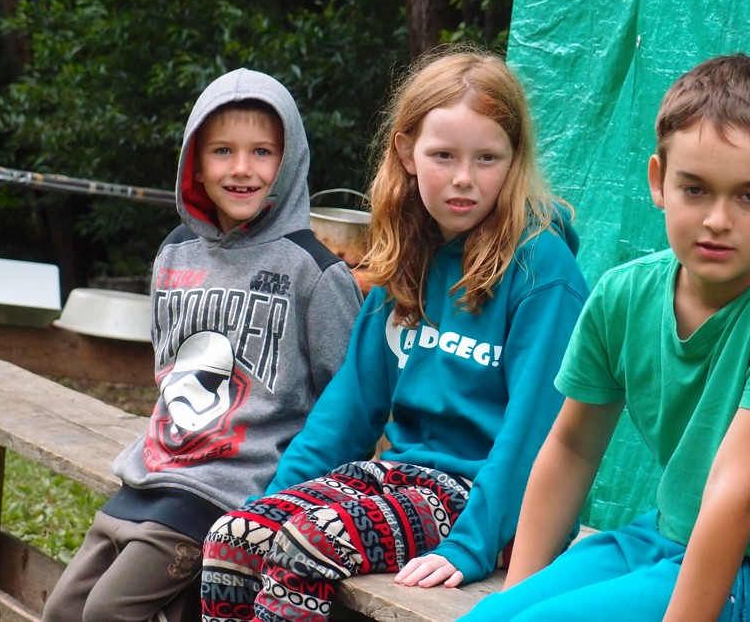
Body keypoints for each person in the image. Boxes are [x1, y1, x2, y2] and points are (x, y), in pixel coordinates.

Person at [460, 53, 750, 622]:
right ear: (659, 181)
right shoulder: (624, 293)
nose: (718, 220)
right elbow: (572, 448)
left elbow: (737, 488)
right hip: (663, 539)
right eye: (695, 189)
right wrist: (516, 597)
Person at [199, 48, 590, 622]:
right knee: (234, 536)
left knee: (309, 541)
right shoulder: (410, 256)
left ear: (515, 158)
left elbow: (535, 433)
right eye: (443, 155)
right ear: (407, 152)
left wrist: (473, 543)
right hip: (396, 479)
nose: (464, 178)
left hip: (478, 498)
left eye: (487, 158)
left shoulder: (542, 270)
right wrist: (273, 500)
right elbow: (349, 408)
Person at [42, 68, 363, 622]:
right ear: (194, 161)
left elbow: (351, 402)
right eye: (222, 151)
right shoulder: (175, 254)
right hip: (150, 473)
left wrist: (295, 501)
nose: (241, 168)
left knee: (106, 615)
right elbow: (168, 363)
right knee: (63, 611)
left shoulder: (315, 272)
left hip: (230, 492)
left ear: (290, 159)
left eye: (262, 152)